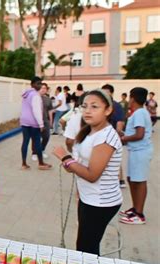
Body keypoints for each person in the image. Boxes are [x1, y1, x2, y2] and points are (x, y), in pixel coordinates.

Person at [53, 89, 123, 255]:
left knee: (86, 249)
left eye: (94, 106)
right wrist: (70, 164)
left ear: (108, 110)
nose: (88, 111)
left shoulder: (106, 137)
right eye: (84, 106)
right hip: (87, 197)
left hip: (100, 202)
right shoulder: (90, 131)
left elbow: (92, 175)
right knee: (85, 244)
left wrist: (65, 158)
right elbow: (81, 163)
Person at [118, 87, 153, 225]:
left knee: (139, 181)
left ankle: (139, 214)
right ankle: (135, 208)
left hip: (140, 151)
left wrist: (124, 139)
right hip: (135, 151)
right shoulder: (139, 113)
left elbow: (140, 134)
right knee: (131, 179)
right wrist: (123, 134)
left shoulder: (139, 113)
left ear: (132, 98)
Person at [18, 76, 51, 170]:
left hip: (24, 121)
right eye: (37, 83)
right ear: (32, 84)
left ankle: (24, 164)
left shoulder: (26, 94)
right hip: (33, 122)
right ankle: (41, 163)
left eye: (40, 83)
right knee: (37, 142)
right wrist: (41, 124)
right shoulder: (35, 95)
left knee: (25, 142)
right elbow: (36, 111)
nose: (39, 85)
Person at [102, 84, 127, 188]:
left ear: (111, 93)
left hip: (112, 137)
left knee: (114, 159)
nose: (103, 94)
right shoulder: (103, 104)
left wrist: (115, 137)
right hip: (103, 136)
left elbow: (120, 123)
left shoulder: (116, 106)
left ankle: (120, 180)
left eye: (106, 92)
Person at [31, 82, 53, 161]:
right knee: (35, 138)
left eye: (45, 88)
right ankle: (34, 153)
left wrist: (51, 121)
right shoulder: (35, 97)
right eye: (42, 88)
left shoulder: (48, 99)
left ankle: (42, 149)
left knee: (46, 137)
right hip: (35, 122)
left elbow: (50, 111)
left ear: (47, 90)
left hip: (45, 121)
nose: (43, 89)